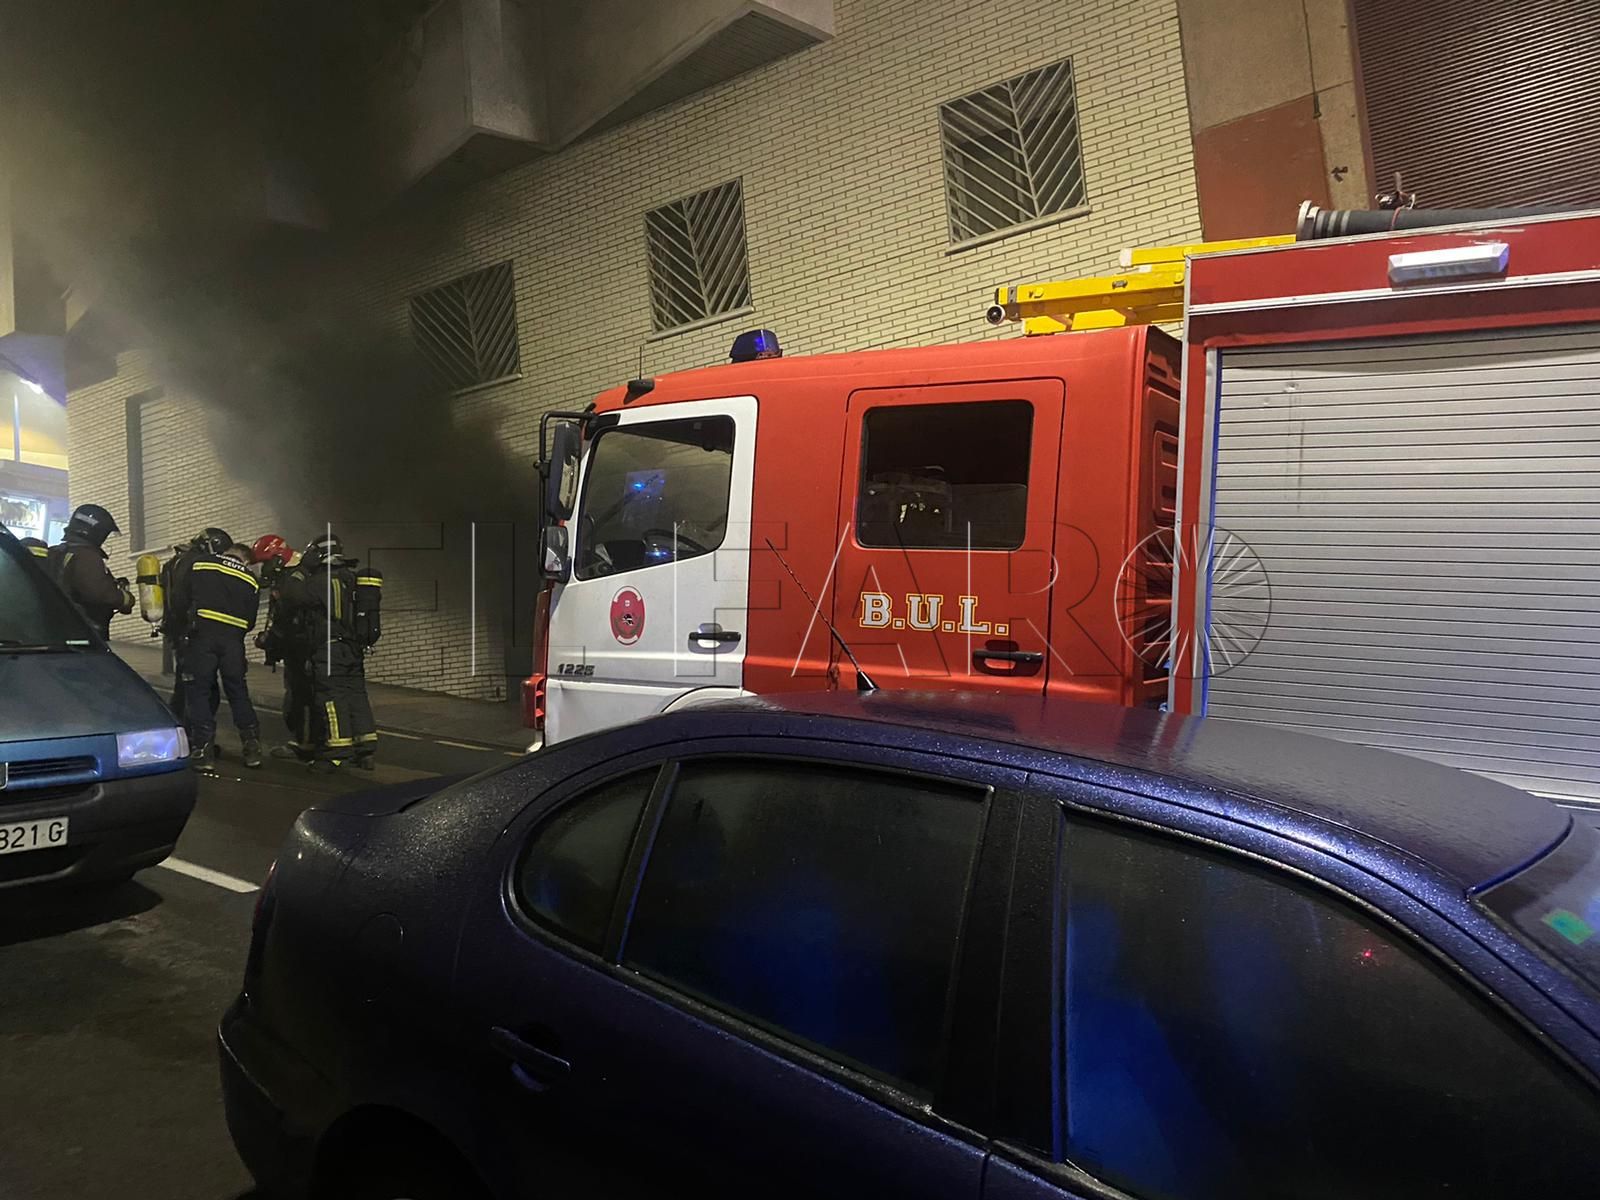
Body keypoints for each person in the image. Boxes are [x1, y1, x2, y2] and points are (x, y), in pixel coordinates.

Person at [276, 533, 379, 771]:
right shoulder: (350, 578)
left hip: (329, 650)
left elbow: (292, 596)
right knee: (356, 695)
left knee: (331, 698)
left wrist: (300, 569)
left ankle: (337, 752)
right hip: (353, 649)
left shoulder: (320, 581)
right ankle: (365, 749)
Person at [177, 530, 263, 769]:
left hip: (203, 637)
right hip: (233, 642)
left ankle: (203, 749)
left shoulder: (202, 563)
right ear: (245, 560)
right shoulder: (250, 579)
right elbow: (250, 620)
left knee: (199, 691)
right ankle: (252, 747)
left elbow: (181, 598)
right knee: (238, 691)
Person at [252, 535, 314, 761]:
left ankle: (303, 743)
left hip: (300, 646)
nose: (263, 568)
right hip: (302, 645)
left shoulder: (293, 578)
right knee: (303, 693)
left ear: (276, 558)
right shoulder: (298, 573)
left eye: (264, 562)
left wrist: (271, 639)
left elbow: (287, 616)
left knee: (300, 695)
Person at [45, 504, 135, 640]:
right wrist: (124, 598)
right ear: (97, 531)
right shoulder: (87, 556)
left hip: (60, 630)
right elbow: (97, 592)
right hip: (84, 632)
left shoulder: (56, 552)